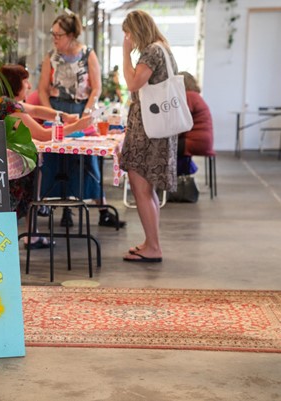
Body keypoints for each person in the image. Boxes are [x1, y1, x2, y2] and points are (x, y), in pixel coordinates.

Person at [0, 64, 92, 249]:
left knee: (36, 166)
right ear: (15, 84)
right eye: (25, 82)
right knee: (35, 168)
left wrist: (64, 116)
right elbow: (43, 135)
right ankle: (27, 234)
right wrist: (77, 126)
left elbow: (36, 111)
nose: (29, 86)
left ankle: (32, 233)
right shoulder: (8, 106)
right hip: (5, 174)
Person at [38, 12, 125, 229]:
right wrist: (50, 115)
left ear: (70, 35)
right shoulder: (51, 56)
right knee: (54, 158)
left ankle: (102, 209)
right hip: (58, 110)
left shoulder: (87, 54)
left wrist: (87, 111)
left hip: (80, 110)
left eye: (58, 35)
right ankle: (53, 204)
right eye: (53, 35)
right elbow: (42, 89)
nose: (54, 39)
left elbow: (96, 87)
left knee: (86, 160)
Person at [120, 10, 179, 263]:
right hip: (154, 126)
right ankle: (150, 241)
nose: (128, 38)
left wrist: (124, 52)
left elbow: (133, 83)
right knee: (147, 189)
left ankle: (153, 247)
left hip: (148, 130)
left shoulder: (152, 51)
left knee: (140, 186)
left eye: (129, 33)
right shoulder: (162, 48)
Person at [177, 71, 213, 176]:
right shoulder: (195, 96)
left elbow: (182, 122)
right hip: (203, 141)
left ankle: (171, 184)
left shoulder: (188, 96)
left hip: (195, 142)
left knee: (164, 148)